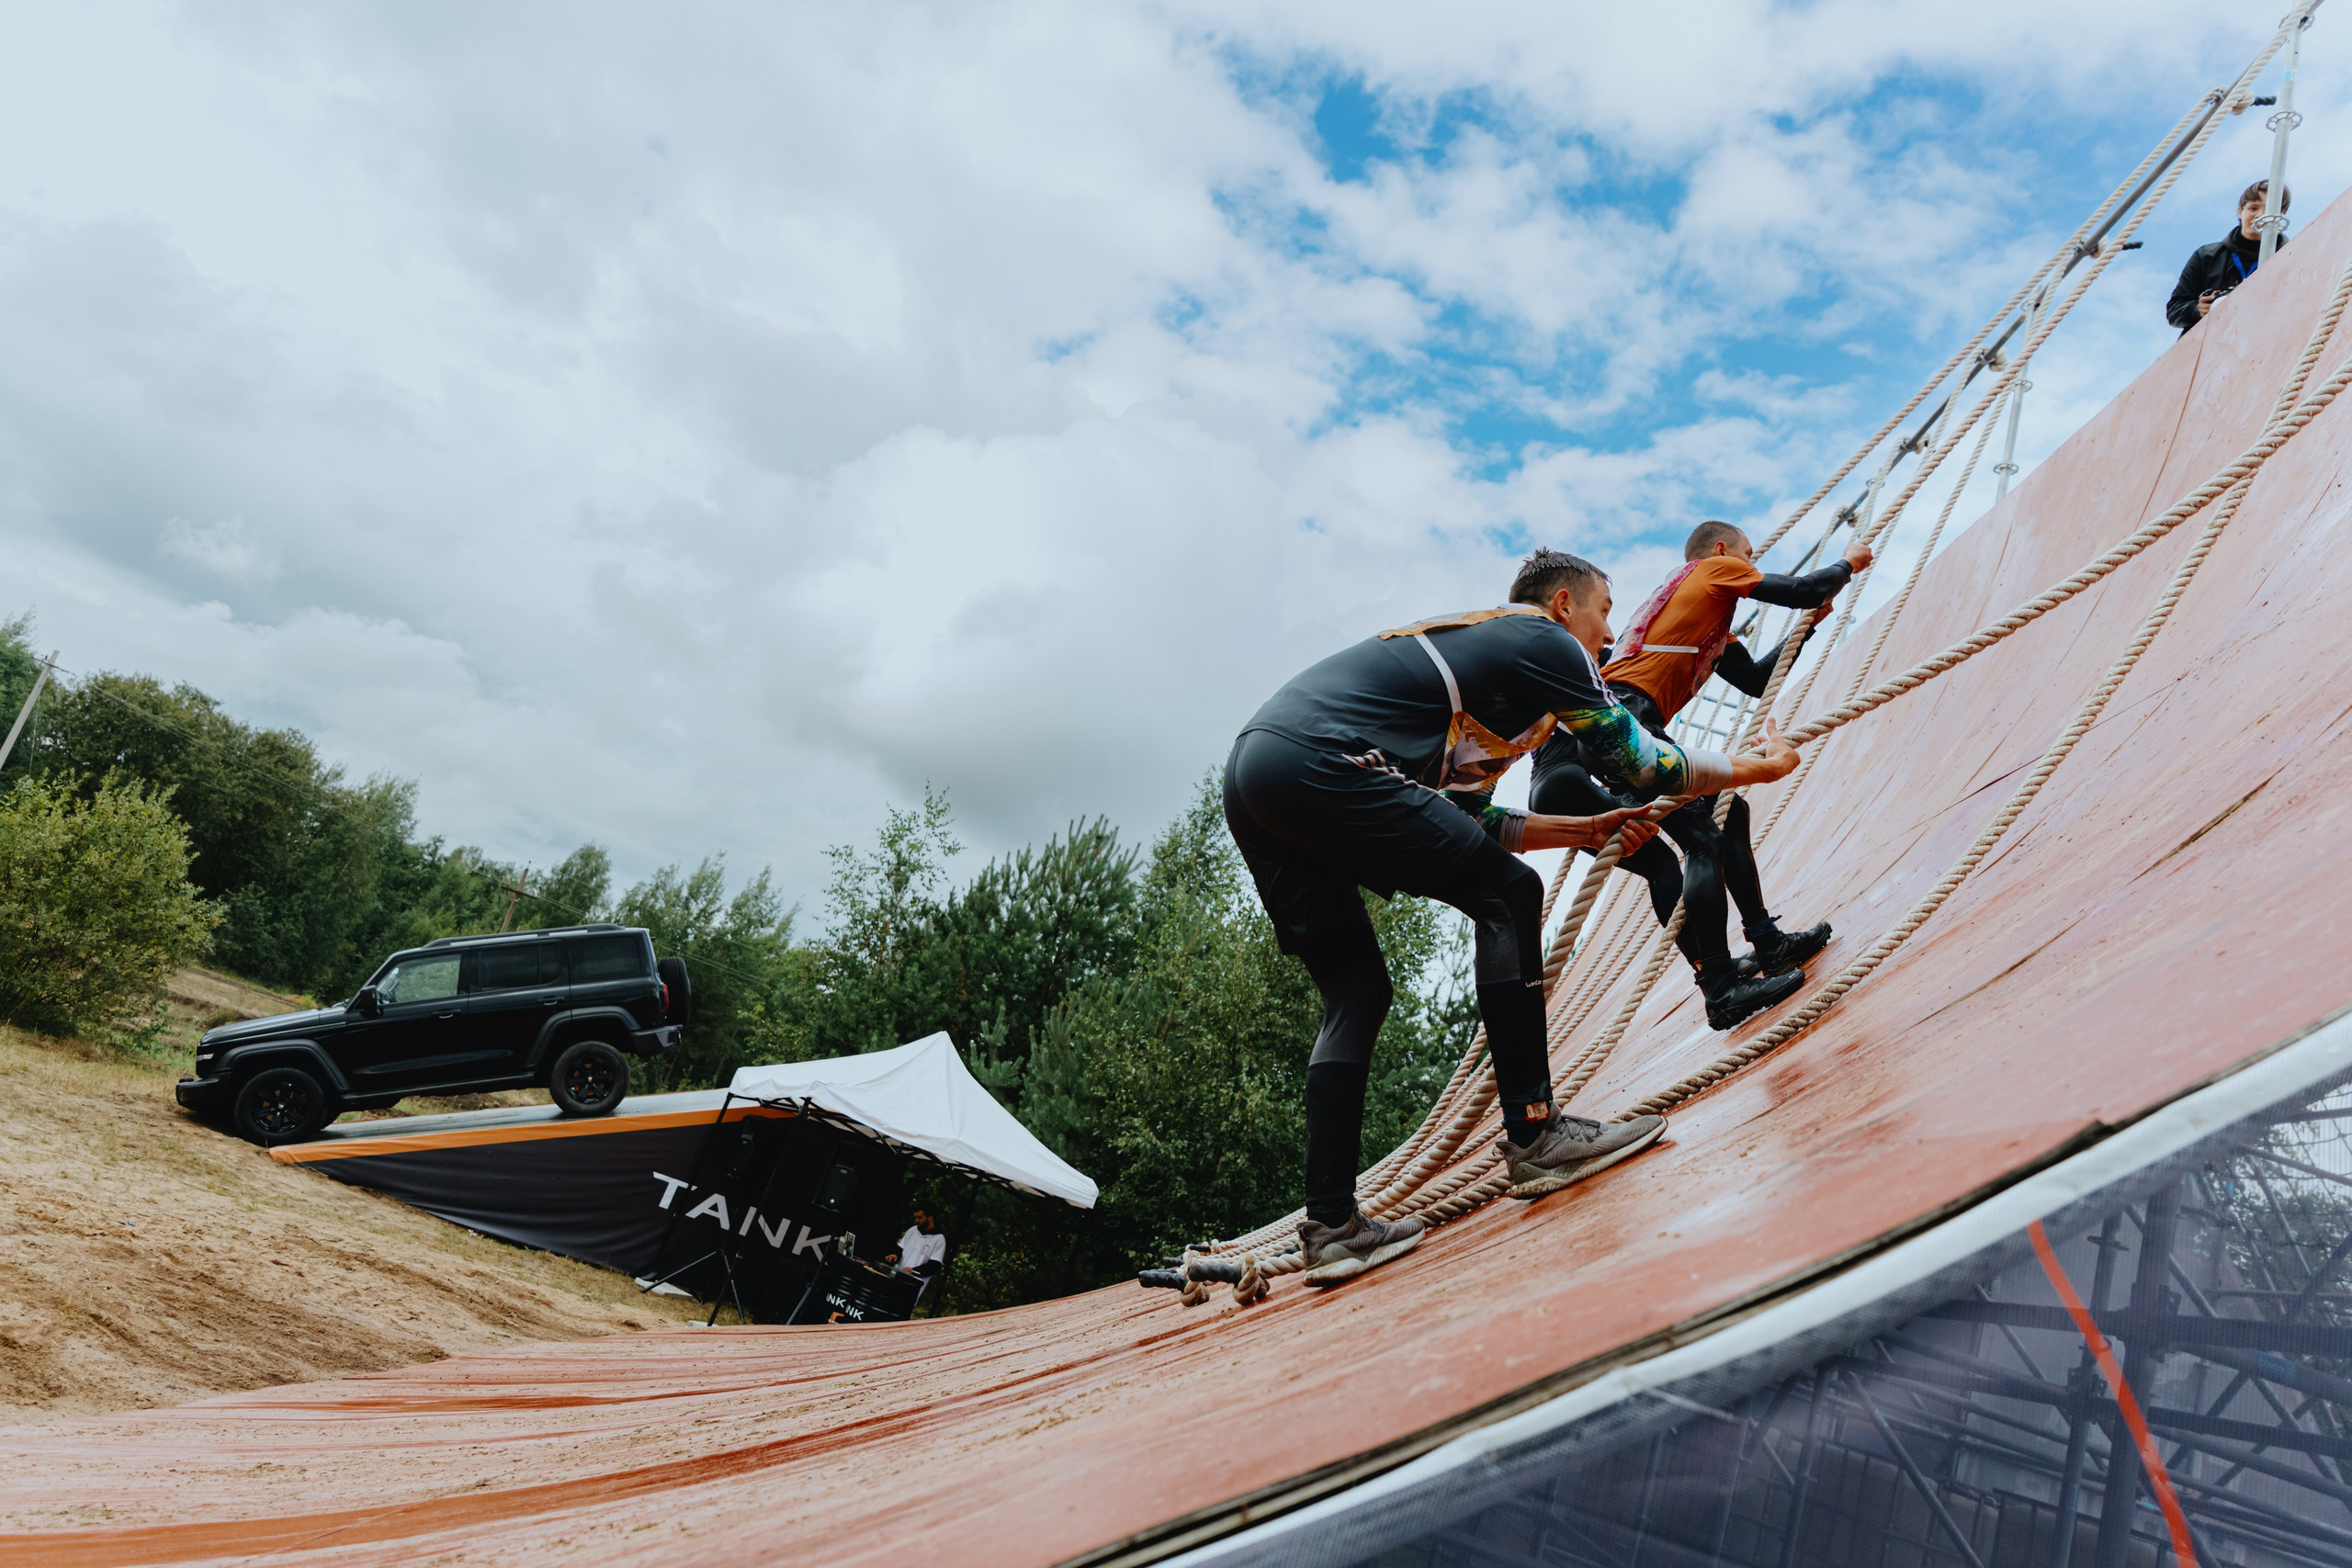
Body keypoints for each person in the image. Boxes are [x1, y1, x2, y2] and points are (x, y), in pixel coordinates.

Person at [1226, 550, 1805, 1284]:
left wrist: (1585, 831)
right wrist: (1760, 766)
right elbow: (1645, 764)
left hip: (1259, 773)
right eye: (1604, 609)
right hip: (1323, 758)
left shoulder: (1491, 688)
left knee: (1357, 991)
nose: (1609, 631)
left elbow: (1473, 818)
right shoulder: (1542, 640)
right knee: (1510, 896)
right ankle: (1536, 1136)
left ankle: (1334, 1225)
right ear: (1564, 605)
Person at [1531, 524, 1867, 1030]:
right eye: (1746, 556)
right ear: (1720, 552)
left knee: (1728, 815)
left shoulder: (1708, 625)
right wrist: (1849, 563)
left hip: (1625, 728)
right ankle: (1720, 986)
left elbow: (1755, 680)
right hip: (1625, 722)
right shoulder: (1711, 571)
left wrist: (1810, 625)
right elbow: (1804, 588)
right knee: (1701, 840)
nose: (1749, 566)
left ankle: (1766, 943)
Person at [2167, 180, 2290, 335]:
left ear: (2281, 214)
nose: (2260, 215)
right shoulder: (2206, 256)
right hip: (2207, 348)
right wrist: (2198, 310)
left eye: (2270, 210)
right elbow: (2174, 311)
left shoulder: (2291, 256)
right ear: (2240, 211)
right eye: (2253, 208)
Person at [884, 1205, 946, 1277]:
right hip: (895, 1275)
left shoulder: (939, 1239)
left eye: (920, 1217)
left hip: (913, 1284)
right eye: (916, 1217)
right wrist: (895, 1256)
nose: (916, 1220)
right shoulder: (913, 1230)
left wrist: (914, 1271)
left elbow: (934, 1266)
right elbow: (900, 1249)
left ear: (930, 1217)